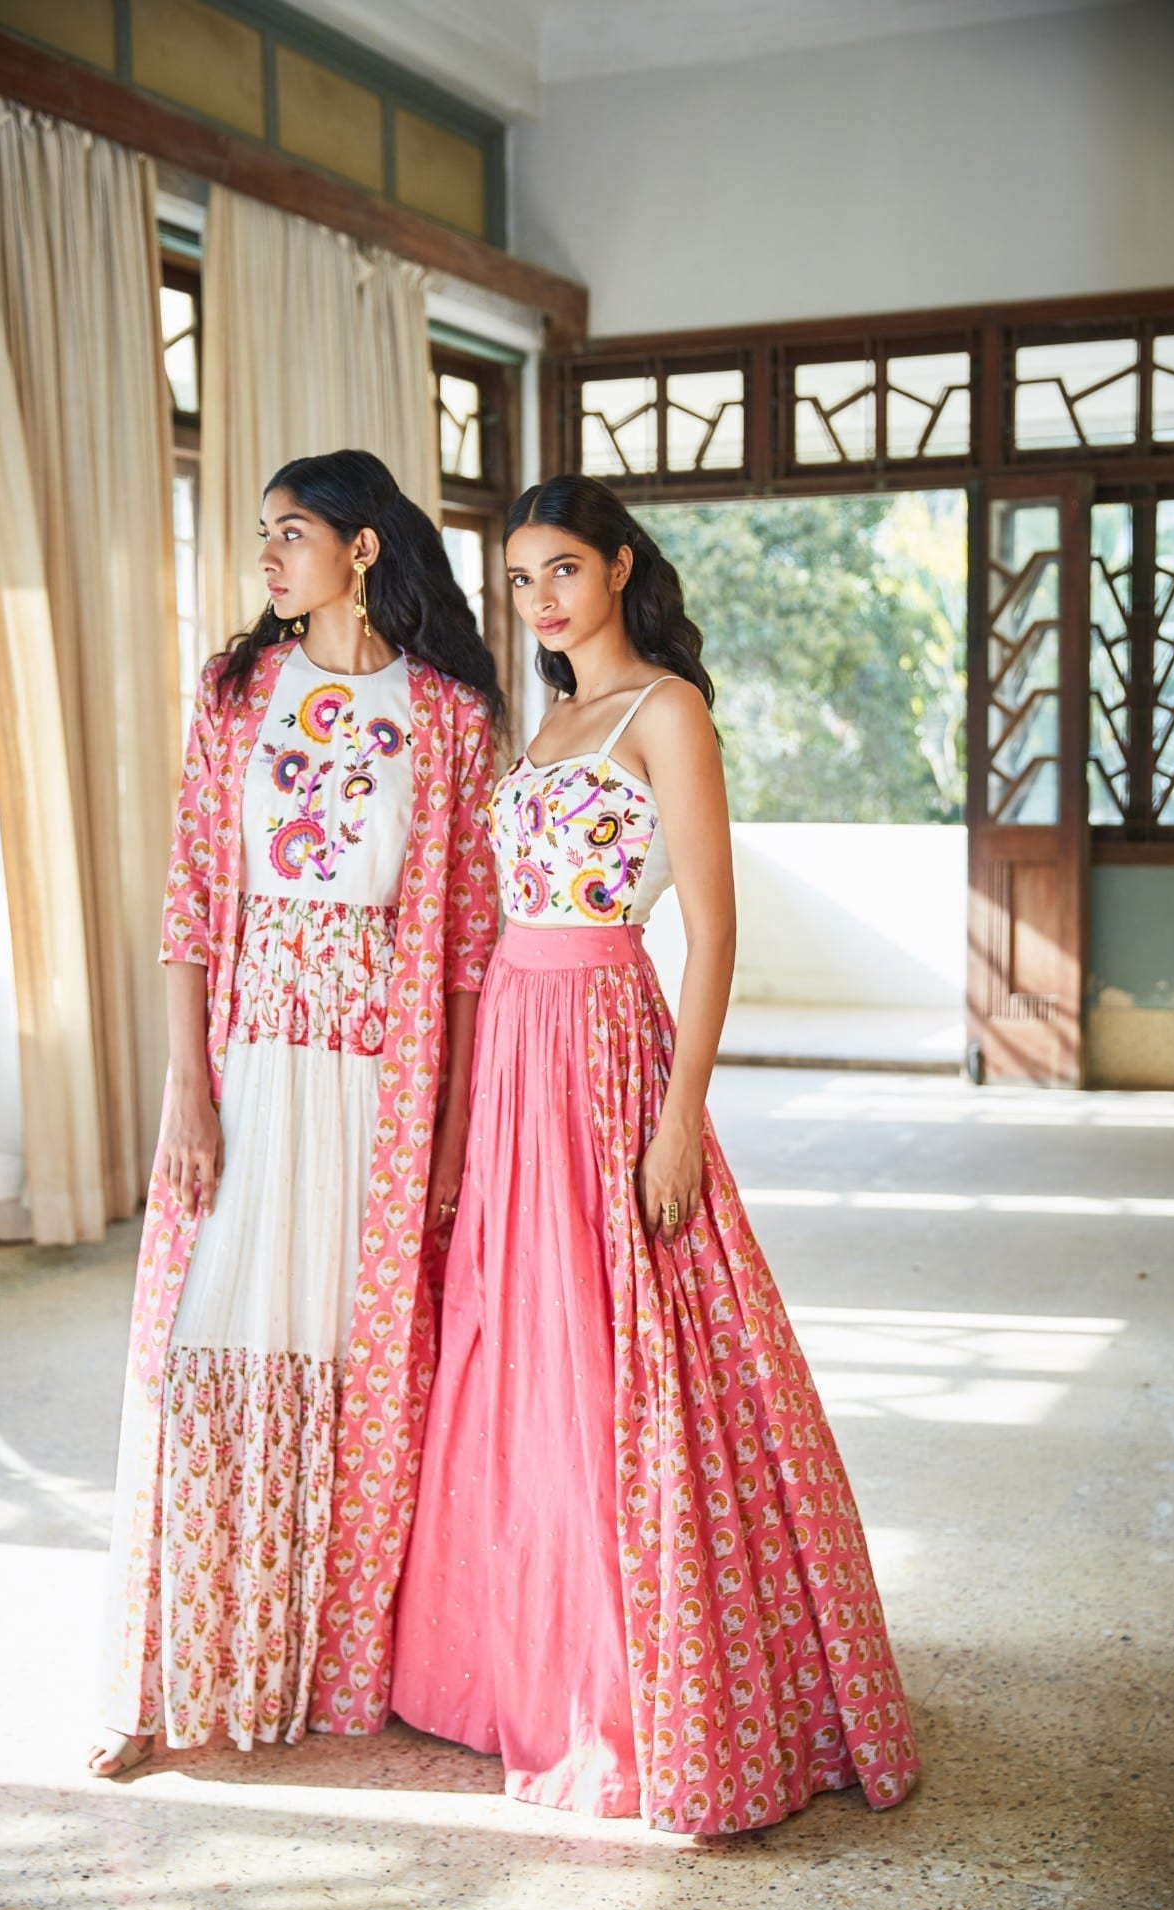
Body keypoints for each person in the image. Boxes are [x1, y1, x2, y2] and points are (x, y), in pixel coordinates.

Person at [391, 473, 919, 1836]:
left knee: (629, 1348)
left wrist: (681, 1111)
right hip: (511, 1041)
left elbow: (716, 928)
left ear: (621, 567)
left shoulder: (666, 711)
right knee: (522, 1342)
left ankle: (654, 1672)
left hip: (608, 1041)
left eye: (562, 567)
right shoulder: (547, 720)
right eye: (519, 579)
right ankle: (525, 1658)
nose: (540, 597)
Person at [88, 450, 501, 1775]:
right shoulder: (240, 694)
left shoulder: (445, 715)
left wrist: (446, 1143)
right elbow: (190, 903)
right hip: (252, 1054)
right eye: (263, 535)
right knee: (216, 1335)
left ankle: (333, 1670)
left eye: (291, 532)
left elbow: (466, 948)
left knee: (351, 1354)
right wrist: (186, 1096)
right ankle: (179, 1669)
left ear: (365, 547)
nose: (267, 556)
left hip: (381, 1075)